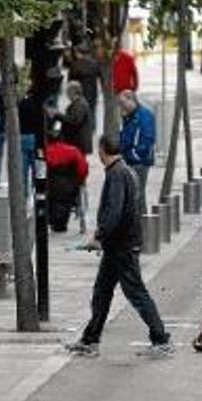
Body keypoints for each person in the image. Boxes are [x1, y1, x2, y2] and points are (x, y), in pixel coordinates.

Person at [65, 136, 172, 357]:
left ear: (102, 150)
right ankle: (90, 339)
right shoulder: (126, 170)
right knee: (102, 292)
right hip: (119, 245)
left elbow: (114, 212)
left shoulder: (116, 174)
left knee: (135, 292)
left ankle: (160, 339)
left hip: (122, 245)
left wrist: (99, 235)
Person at [118, 90, 156, 214]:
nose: (121, 107)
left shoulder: (144, 116)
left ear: (131, 100)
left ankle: (141, 224)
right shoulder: (130, 115)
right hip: (130, 159)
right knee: (132, 194)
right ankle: (136, 224)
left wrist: (134, 154)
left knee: (137, 194)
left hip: (139, 161)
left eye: (123, 103)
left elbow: (147, 140)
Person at [45, 124, 89, 232]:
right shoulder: (73, 151)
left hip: (50, 187)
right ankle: (61, 222)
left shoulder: (45, 151)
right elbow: (83, 169)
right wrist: (80, 180)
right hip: (70, 187)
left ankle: (53, 220)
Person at [68, 45, 102, 129]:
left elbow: (70, 80)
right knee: (92, 110)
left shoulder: (75, 65)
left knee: (80, 110)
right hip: (93, 91)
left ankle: (83, 128)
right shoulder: (95, 63)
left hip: (80, 92)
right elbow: (100, 76)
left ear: (78, 53)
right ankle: (92, 128)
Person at [59, 81, 94, 155]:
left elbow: (74, 121)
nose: (67, 94)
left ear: (72, 92)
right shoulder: (77, 103)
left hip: (79, 143)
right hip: (77, 143)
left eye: (68, 92)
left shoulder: (80, 104)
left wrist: (58, 115)